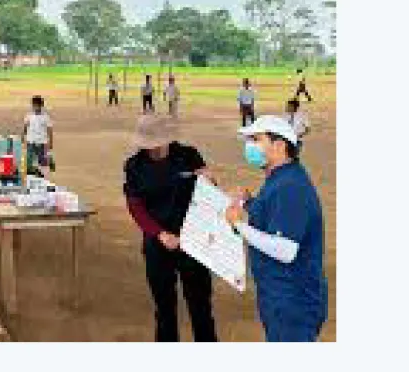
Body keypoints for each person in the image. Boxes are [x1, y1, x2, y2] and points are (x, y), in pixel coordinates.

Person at [226, 115, 328, 342]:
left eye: (255, 139)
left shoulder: (290, 187)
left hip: (293, 304)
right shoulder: (280, 177)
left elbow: (285, 249)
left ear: (279, 146)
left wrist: (237, 225)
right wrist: (249, 202)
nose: (249, 146)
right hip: (279, 297)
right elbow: (272, 213)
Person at [122, 116, 217, 342]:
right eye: (147, 145)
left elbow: (209, 193)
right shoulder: (134, 166)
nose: (152, 149)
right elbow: (136, 207)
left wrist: (210, 180)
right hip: (158, 243)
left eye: (156, 143)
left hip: (193, 241)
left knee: (200, 307)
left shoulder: (188, 155)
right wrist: (159, 234)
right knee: (164, 309)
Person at [21, 95, 54, 175]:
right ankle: (30, 174)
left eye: (37, 106)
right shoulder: (29, 116)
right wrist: (23, 136)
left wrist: (51, 142)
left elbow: (49, 130)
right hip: (30, 141)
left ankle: (48, 163)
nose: (35, 107)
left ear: (41, 106)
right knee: (29, 159)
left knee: (41, 161)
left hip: (41, 142)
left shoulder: (45, 117)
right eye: (34, 105)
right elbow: (25, 127)